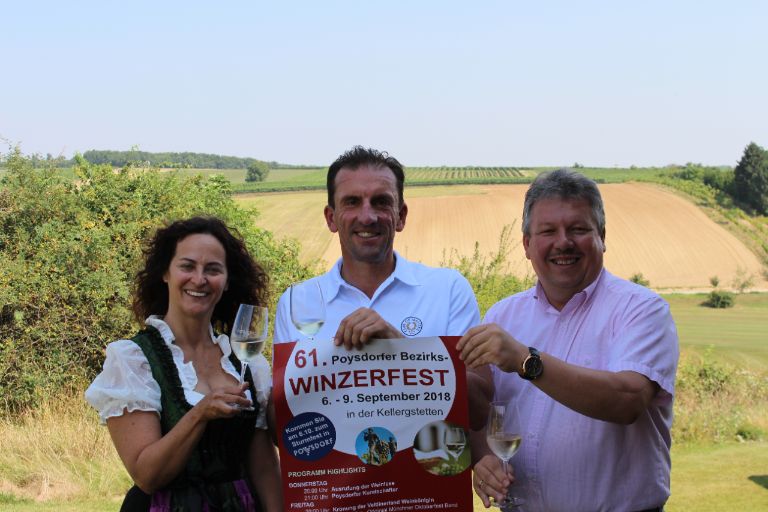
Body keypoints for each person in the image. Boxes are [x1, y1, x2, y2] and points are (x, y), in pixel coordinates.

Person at [458, 169, 679, 512]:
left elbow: (628, 400)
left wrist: (525, 360)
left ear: (602, 236)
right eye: (548, 231)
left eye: (578, 229)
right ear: (527, 244)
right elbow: (478, 409)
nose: (563, 242)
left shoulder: (641, 309)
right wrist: (483, 458)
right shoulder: (502, 316)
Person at [273, 146, 488, 428]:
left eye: (380, 202)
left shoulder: (448, 290)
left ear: (401, 216)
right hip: (341, 471)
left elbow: (481, 412)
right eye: (351, 202)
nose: (367, 217)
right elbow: (281, 428)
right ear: (330, 218)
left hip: (427, 468)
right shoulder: (296, 302)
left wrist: (401, 352)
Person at [85, 217, 282, 511]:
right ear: (165, 272)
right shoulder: (133, 359)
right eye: (187, 266)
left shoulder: (247, 364)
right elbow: (147, 476)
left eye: (213, 270)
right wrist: (200, 414)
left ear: (227, 281)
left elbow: (264, 467)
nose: (199, 279)